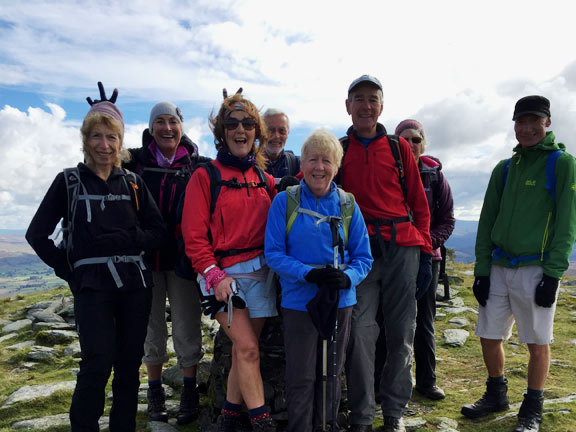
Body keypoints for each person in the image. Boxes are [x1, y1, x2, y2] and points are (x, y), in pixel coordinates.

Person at [25, 83, 167, 431]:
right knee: (97, 361)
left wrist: (133, 238)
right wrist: (67, 270)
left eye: (111, 137)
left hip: (135, 285)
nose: (104, 145)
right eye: (97, 137)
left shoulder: (133, 183)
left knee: (129, 363)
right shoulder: (69, 182)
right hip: (91, 287)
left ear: (121, 142)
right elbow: (36, 234)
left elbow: (159, 232)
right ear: (85, 140)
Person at [461, 95, 576, 432]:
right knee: (488, 334)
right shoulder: (504, 168)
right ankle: (497, 394)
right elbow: (487, 221)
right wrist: (482, 270)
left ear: (547, 123)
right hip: (499, 266)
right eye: (521, 122)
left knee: (537, 341)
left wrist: (553, 275)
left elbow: (567, 224)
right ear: (514, 124)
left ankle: (533, 407)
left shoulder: (562, 163)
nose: (526, 128)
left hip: (536, 267)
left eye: (534, 121)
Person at [340, 75, 433, 432]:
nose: (365, 106)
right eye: (358, 99)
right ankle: (362, 416)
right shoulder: (340, 149)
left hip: (402, 249)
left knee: (401, 333)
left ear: (382, 106)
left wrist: (424, 255)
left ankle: (394, 413)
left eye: (372, 99)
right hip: (359, 253)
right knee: (361, 335)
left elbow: (419, 205)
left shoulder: (398, 149)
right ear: (347, 106)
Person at [182, 90, 278, 432]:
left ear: (257, 133)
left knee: (243, 351)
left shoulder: (263, 180)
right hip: (223, 278)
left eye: (248, 123)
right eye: (232, 123)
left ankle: (228, 419)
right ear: (222, 132)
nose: (241, 129)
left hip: (262, 273)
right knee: (249, 348)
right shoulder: (205, 176)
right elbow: (193, 238)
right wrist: (214, 277)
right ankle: (262, 423)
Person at [265, 129, 373, 432]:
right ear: (303, 164)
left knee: (332, 374)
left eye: (327, 160)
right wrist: (307, 273)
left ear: (336, 167)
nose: (319, 167)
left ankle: (325, 426)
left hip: (340, 301)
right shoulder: (284, 202)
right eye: (313, 159)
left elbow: (364, 257)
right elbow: (273, 253)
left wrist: (347, 277)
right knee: (301, 375)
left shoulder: (348, 205)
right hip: (299, 301)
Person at [124, 102, 210, 424]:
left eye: (172, 121)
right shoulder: (135, 162)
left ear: (181, 126)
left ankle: (189, 392)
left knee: (188, 325)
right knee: (152, 329)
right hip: (145, 258)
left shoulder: (198, 165)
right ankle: (155, 391)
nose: (166, 128)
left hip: (183, 260)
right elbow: (100, 150)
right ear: (151, 127)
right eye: (159, 121)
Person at [394, 119, 455, 400]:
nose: (410, 145)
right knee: (389, 319)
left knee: (425, 320)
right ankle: (387, 381)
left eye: (416, 140)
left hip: (428, 257)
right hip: (394, 256)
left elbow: (447, 220)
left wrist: (426, 243)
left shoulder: (435, 176)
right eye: (404, 140)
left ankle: (427, 381)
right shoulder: (390, 173)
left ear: (423, 143)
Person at [262, 108, 300, 179]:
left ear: (288, 133)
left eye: (282, 130)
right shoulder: (248, 166)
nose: (276, 136)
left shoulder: (299, 166)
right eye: (270, 130)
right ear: (261, 132)